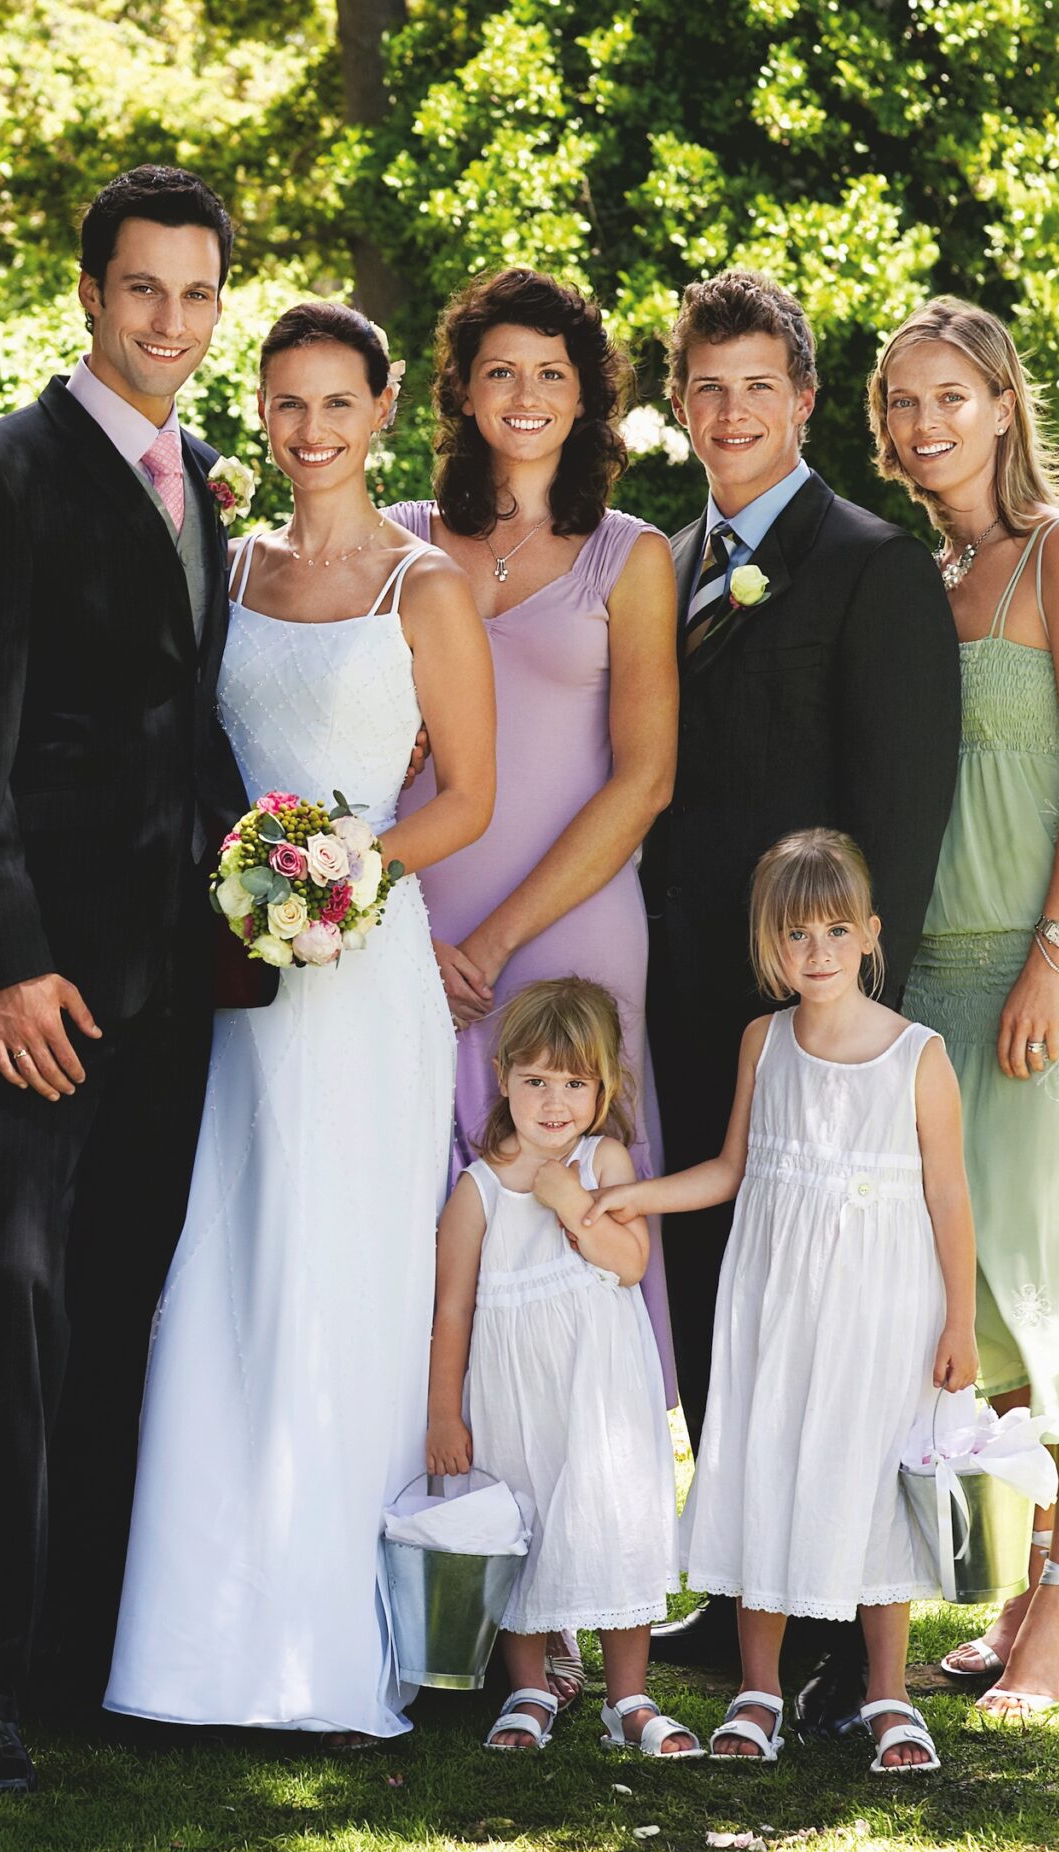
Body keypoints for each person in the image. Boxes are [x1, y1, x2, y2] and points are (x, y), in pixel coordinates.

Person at [105, 301, 495, 1743]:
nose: (312, 430)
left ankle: (339, 1620)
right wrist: (253, 888)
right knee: (226, 1250)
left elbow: (469, 790)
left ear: (384, 409)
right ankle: (197, 1621)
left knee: (346, 1260)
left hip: (360, 966)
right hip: (231, 969)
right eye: (286, 403)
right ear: (259, 413)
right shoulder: (229, 565)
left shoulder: (426, 587)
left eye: (339, 403)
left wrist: (344, 877)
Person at [0, 165, 253, 1792]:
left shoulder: (203, 483)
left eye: (196, 294)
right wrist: (6, 964)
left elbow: (179, 730)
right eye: (143, 290)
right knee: (11, 1331)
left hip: (171, 990)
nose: (169, 322)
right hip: (41, 1000)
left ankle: (73, 1663)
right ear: (90, 292)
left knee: (119, 1322)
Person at [638, 270, 960, 1731]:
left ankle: (843, 1618)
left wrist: (846, 1003)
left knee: (844, 1306)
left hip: (817, 1004)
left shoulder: (870, 563)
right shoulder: (661, 553)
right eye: (706, 386)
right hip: (686, 983)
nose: (730, 412)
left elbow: (897, 805)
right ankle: (750, 1570)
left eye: (757, 384)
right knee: (726, 1283)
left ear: (807, 400)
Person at [871, 298, 1059, 1724]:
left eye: (949, 397)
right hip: (933, 983)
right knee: (968, 1300)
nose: (927, 425)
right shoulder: (925, 577)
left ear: (1000, 402)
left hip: (1056, 984)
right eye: (903, 405)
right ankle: (1015, 1593)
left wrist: (1049, 953)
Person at [586, 829, 977, 1776]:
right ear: (770, 943)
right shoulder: (763, 1042)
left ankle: (889, 1692)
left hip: (884, 1306)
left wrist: (959, 1318)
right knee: (763, 1460)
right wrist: (639, 1192)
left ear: (872, 933)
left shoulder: (916, 1056)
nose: (818, 951)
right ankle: (756, 1686)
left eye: (837, 929)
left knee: (874, 1482)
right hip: (774, 1295)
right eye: (796, 934)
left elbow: (950, 1195)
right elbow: (730, 1169)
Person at [390, 268, 680, 1422]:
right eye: (500, 370)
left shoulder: (631, 555)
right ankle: (439, 1483)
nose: (525, 394)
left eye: (551, 374)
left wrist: (498, 935)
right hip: (413, 926)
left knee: (572, 1197)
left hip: (573, 929)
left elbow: (644, 776)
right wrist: (414, 926)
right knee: (431, 1204)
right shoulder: (399, 540)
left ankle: (584, 1505)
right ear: (462, 390)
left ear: (585, 397)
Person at [424, 979, 689, 1757]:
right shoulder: (476, 1191)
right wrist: (445, 1412)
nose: (553, 1100)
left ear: (603, 1088)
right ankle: (531, 1684)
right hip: (513, 1392)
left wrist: (570, 1199)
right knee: (525, 1518)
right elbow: (451, 1309)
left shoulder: (601, 1158)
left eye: (574, 1082)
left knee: (615, 1516)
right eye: (536, 1079)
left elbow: (631, 1259)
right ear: (502, 1076)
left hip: (597, 1383)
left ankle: (629, 1695)